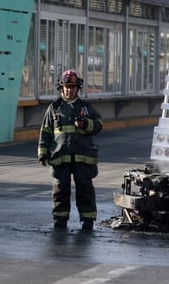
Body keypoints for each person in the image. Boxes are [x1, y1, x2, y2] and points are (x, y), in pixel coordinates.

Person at [38, 69, 103, 230]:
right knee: (60, 189)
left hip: (83, 157)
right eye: (66, 86)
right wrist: (42, 152)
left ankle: (88, 220)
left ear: (78, 88)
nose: (69, 89)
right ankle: (60, 219)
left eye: (73, 86)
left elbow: (99, 125)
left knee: (85, 188)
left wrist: (85, 124)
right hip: (61, 157)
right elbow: (45, 131)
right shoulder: (54, 108)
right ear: (61, 87)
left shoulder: (86, 108)